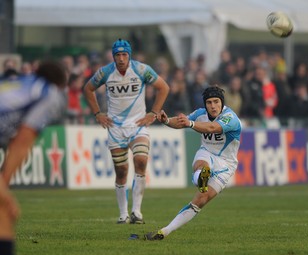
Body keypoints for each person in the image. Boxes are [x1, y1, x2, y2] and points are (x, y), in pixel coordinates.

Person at [83, 39, 169, 224]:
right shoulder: (105, 72)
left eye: (124, 54)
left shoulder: (141, 70)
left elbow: (163, 88)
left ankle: (136, 212)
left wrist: (153, 113)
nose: (121, 58)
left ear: (129, 55)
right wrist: (98, 113)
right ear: (113, 56)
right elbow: (88, 89)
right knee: (121, 171)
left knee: (141, 160)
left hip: (138, 125)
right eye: (117, 55)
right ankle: (123, 215)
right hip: (116, 128)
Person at [145, 85, 242, 240]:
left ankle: (199, 180)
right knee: (202, 165)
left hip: (226, 163)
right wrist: (167, 120)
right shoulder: (200, 113)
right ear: (205, 104)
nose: (213, 106)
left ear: (222, 102)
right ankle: (165, 231)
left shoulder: (230, 117)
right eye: (209, 102)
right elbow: (182, 121)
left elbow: (211, 128)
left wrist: (190, 124)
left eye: (216, 102)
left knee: (200, 200)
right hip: (207, 152)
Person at [0, 60, 68, 255]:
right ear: (61, 85)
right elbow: (22, 142)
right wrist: (5, 190)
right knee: (4, 211)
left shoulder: (22, 82)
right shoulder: (49, 93)